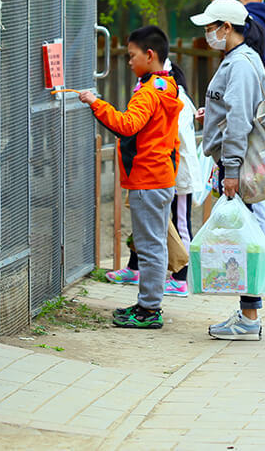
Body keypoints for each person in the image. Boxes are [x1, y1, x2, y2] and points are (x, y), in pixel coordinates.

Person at [78, 26, 183, 328]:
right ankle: (147, 304)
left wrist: (95, 103)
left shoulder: (149, 92)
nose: (128, 61)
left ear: (149, 56)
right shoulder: (167, 84)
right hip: (160, 176)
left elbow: (127, 125)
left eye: (131, 55)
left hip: (148, 180)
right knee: (153, 245)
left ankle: (149, 310)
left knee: (150, 248)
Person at [190, 0, 265, 340]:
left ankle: (250, 317)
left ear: (227, 28)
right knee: (245, 237)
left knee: (245, 239)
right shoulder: (240, 60)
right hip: (239, 163)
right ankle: (246, 312)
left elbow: (240, 118)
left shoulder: (240, 64)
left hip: (240, 167)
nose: (208, 34)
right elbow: (231, 110)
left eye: (211, 28)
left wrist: (230, 169)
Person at [104, 58, 202, 297]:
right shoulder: (158, 95)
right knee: (146, 223)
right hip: (155, 172)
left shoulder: (173, 100)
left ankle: (180, 278)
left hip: (178, 174)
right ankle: (134, 267)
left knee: (180, 224)